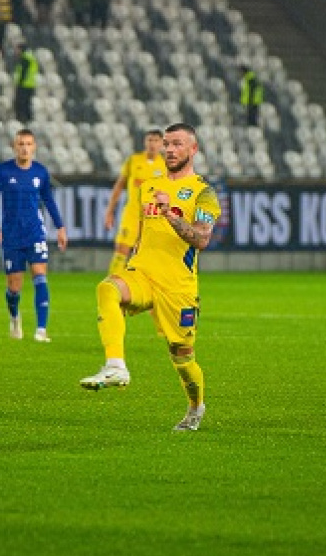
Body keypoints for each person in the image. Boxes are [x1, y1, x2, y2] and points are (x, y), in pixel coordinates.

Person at [80, 123, 222, 432]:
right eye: (167, 144)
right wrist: (132, 261)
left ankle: (196, 407)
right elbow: (145, 234)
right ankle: (115, 365)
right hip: (143, 274)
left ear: (193, 150)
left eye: (177, 144)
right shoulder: (148, 186)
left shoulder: (204, 193)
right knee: (107, 289)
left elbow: (201, 239)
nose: (169, 149)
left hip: (178, 288)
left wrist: (170, 213)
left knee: (183, 359)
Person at [0, 128, 68, 342]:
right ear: (14, 146)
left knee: (40, 276)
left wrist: (60, 227)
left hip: (35, 233)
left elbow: (48, 200)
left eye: (28, 144)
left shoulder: (40, 172)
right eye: (21, 144)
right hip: (11, 236)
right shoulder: (3, 171)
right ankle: (14, 316)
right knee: (14, 287)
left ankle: (41, 329)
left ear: (34, 147)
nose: (24, 148)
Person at [103, 129, 166, 274]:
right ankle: (112, 286)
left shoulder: (164, 166)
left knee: (149, 255)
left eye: (156, 141)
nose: (152, 144)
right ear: (145, 142)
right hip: (132, 213)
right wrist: (109, 211)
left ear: (162, 144)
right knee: (121, 249)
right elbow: (119, 186)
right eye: (150, 140)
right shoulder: (133, 160)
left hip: (152, 216)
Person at [12, 40, 38, 122]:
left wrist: (19, 83)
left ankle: (21, 120)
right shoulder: (31, 58)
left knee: (20, 104)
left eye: (17, 49)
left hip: (24, 85)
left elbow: (23, 73)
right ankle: (28, 120)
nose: (16, 51)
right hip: (30, 85)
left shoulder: (25, 58)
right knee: (27, 104)